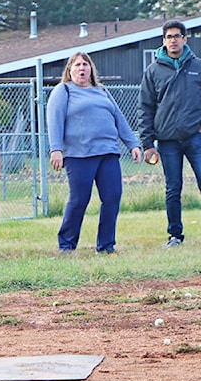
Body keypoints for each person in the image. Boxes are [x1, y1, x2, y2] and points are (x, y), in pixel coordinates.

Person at [137, 20, 201, 248]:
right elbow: (145, 108)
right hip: (167, 142)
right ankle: (175, 236)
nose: (173, 40)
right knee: (173, 188)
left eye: (177, 36)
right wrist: (147, 143)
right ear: (163, 41)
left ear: (185, 39)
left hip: (196, 138)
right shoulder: (153, 71)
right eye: (169, 37)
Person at [46, 52, 142, 254]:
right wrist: (56, 149)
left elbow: (119, 119)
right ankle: (67, 244)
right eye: (77, 65)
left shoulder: (102, 91)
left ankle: (106, 246)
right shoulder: (64, 90)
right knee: (79, 199)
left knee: (112, 197)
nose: (82, 68)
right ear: (69, 70)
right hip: (79, 154)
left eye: (85, 65)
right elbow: (54, 120)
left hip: (108, 152)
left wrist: (133, 144)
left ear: (91, 69)